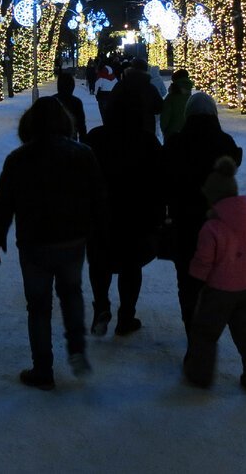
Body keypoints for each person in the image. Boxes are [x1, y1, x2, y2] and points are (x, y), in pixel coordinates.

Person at [0, 97, 106, 391]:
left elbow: (4, 202)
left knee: (38, 306)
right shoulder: (83, 154)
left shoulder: (18, 159)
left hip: (34, 242)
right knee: (72, 293)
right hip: (72, 238)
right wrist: (97, 231)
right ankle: (77, 349)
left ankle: (43, 368)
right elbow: (98, 197)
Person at [184, 156, 246, 394]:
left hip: (217, 292)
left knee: (205, 333)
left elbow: (204, 261)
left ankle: (199, 376)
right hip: (244, 289)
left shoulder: (211, 227)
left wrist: (195, 280)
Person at [161, 91, 243, 334]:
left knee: (187, 281)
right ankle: (208, 332)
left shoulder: (176, 142)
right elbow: (235, 160)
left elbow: (165, 179)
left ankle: (192, 331)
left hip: (184, 222)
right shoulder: (224, 143)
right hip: (218, 225)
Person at [83, 91, 164, 337]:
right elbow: (160, 180)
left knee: (99, 262)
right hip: (136, 215)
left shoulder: (95, 138)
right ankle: (126, 317)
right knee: (131, 266)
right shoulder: (147, 141)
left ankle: (101, 307)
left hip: (101, 215)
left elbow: (83, 177)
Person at [110, 57, 163, 136]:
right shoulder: (150, 88)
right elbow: (159, 107)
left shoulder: (120, 86)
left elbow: (111, 106)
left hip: (123, 128)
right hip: (146, 128)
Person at [159, 69, 193, 139]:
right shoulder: (190, 95)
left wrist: (164, 130)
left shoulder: (171, 97)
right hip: (188, 132)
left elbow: (165, 117)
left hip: (172, 134)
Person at [54, 70, 87, 140]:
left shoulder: (52, 101)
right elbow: (81, 126)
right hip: (71, 139)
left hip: (53, 140)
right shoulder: (76, 102)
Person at [93, 55, 119, 123]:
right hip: (112, 96)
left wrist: (95, 93)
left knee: (103, 113)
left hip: (103, 96)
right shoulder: (114, 77)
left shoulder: (101, 76)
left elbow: (97, 85)